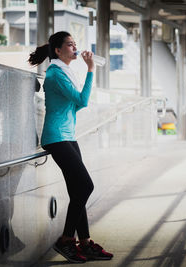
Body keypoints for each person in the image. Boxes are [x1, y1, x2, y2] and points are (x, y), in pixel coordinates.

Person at [28, 31, 113, 263]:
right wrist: (91, 69)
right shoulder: (56, 74)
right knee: (86, 186)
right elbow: (83, 101)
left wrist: (71, 107)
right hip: (56, 138)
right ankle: (66, 240)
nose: (75, 47)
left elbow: (73, 107)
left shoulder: (65, 72)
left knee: (77, 191)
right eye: (69, 44)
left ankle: (84, 243)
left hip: (68, 136)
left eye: (75, 43)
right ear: (58, 51)